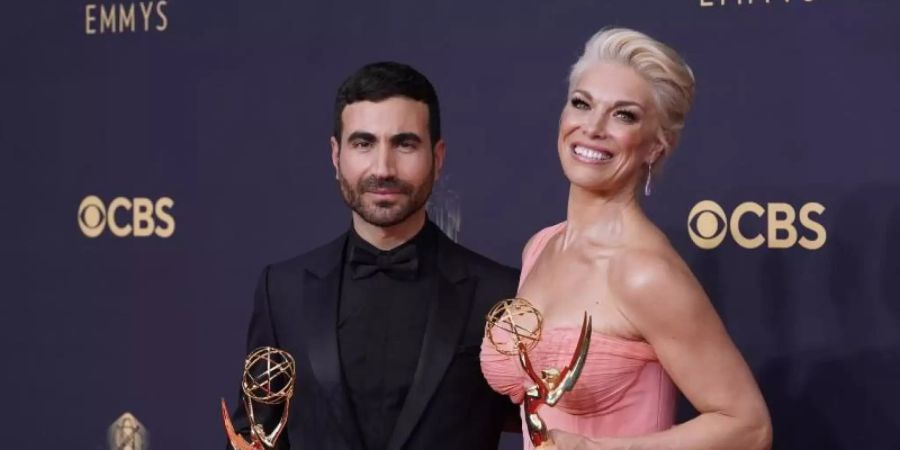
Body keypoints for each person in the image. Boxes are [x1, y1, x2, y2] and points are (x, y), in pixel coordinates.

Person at [480, 28, 772, 450]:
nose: (593, 127)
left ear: (656, 146)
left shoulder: (644, 273)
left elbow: (748, 427)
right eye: (581, 103)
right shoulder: (541, 246)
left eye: (624, 115)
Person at [228, 61, 519, 450]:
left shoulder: (499, 295)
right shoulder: (281, 291)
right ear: (336, 155)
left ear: (438, 156)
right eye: (363, 143)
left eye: (405, 143)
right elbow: (254, 435)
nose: (383, 168)